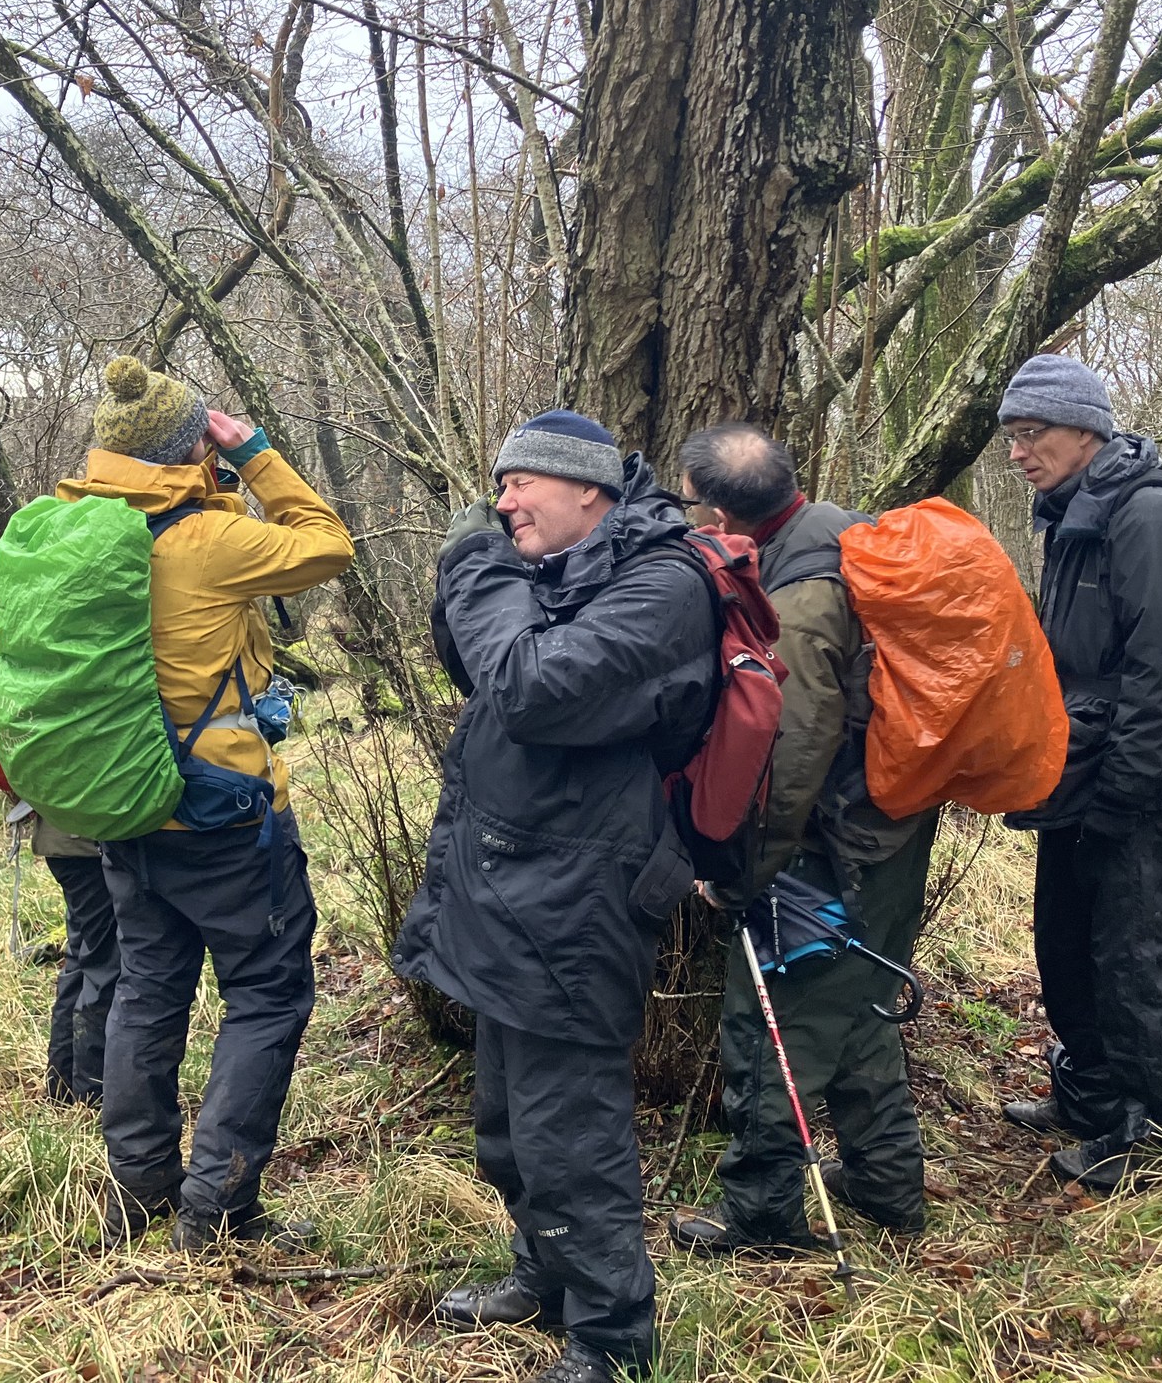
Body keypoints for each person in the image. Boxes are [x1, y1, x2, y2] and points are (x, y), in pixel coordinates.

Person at [395, 410, 721, 1383]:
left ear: (590, 491)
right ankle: (542, 1276)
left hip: (577, 902)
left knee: (567, 1133)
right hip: (509, 886)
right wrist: (479, 580)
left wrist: (478, 573)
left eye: (518, 484)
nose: (499, 504)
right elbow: (480, 675)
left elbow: (535, 690)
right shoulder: (555, 572)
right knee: (506, 1126)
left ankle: (612, 1338)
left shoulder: (663, 585)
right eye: (496, 487)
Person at [72, 357, 354, 1250]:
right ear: (191, 447)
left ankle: (140, 1189)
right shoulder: (209, 542)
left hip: (124, 798)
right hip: (222, 809)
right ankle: (219, 1208)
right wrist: (256, 453)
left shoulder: (82, 528)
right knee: (268, 992)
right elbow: (327, 543)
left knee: (148, 992)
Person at [663, 423, 940, 1255]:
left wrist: (742, 868)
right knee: (856, 1009)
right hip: (889, 830)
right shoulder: (845, 533)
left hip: (830, 852)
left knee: (769, 1023)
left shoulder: (806, 593)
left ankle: (761, 1216)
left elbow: (792, 757)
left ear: (717, 514)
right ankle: (889, 1185)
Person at [996, 354, 1162, 1191]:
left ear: (1086, 429)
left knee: (1134, 959)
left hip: (1134, 786)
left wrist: (1124, 791)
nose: (1017, 452)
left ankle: (1152, 1139)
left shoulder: (1146, 515)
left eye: (1031, 433)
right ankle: (1086, 1099)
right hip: (1074, 779)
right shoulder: (1071, 513)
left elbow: (1161, 672)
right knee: (1067, 948)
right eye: (1011, 437)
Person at [37, 818, 118, 1109]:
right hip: (89, 843)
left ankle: (61, 1087)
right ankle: (92, 1095)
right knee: (105, 966)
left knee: (81, 962)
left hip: (62, 840)